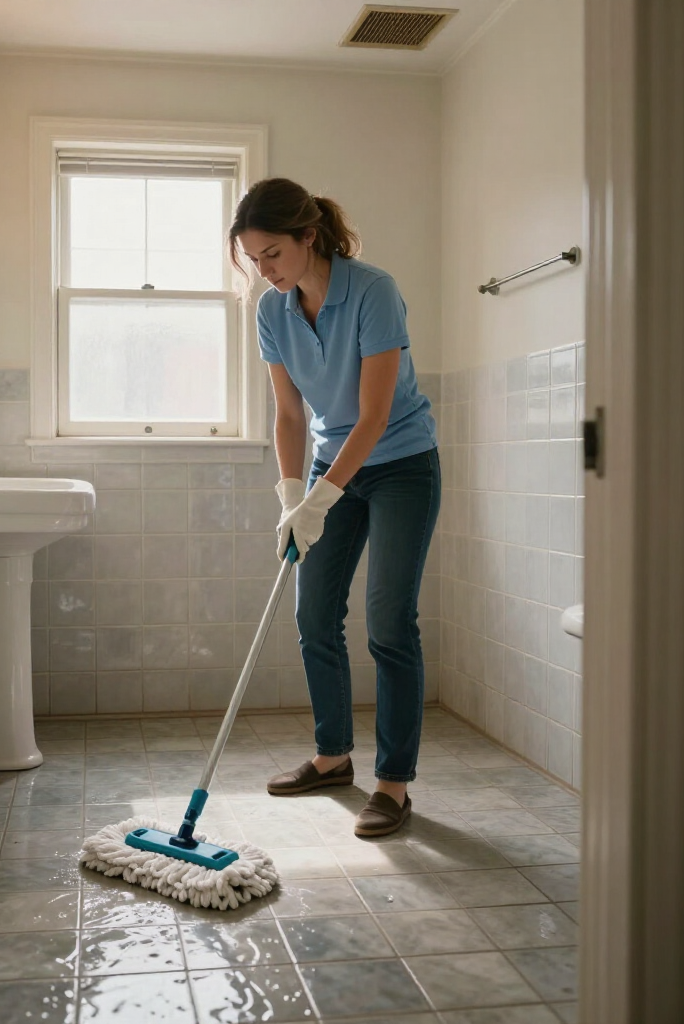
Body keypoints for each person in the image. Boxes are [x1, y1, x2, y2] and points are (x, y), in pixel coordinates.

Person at [228, 178, 441, 837]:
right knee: (314, 613)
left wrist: (322, 498)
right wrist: (294, 495)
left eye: (271, 254)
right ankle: (331, 757)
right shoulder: (274, 311)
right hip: (327, 467)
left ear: (307, 238)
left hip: (401, 464)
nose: (263, 270)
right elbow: (289, 414)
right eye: (252, 259)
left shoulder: (372, 290)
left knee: (388, 621)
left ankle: (395, 785)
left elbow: (374, 416)